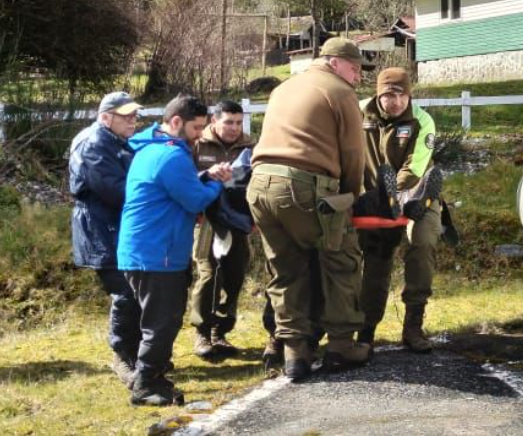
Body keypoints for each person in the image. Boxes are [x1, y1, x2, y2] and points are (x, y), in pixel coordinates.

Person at [248, 37, 371, 382]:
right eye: (354, 67)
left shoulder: (283, 88)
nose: (358, 75)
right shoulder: (341, 92)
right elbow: (353, 154)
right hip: (305, 185)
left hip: (260, 184)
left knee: (286, 269)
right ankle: (342, 346)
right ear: (333, 63)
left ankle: (295, 352)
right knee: (341, 262)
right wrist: (350, 199)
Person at [119, 95, 230, 406]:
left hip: (145, 250)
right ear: (177, 121)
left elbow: (177, 187)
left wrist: (205, 177)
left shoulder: (152, 149)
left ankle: (150, 376)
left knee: (156, 319)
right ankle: (146, 384)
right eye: (196, 128)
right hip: (158, 253)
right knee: (162, 322)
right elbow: (195, 200)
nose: (200, 135)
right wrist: (218, 183)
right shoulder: (171, 156)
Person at [357, 68, 444, 353]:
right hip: (375, 197)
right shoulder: (357, 113)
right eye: (388, 96)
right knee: (376, 260)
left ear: (409, 95)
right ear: (377, 95)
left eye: (401, 96)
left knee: (423, 242)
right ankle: (366, 330)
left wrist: (395, 194)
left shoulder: (422, 120)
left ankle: (413, 325)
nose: (395, 102)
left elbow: (414, 167)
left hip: (417, 192)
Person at [68, 91, 143, 388]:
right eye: (126, 116)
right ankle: (123, 357)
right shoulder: (95, 144)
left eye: (134, 115)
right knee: (125, 292)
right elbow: (115, 190)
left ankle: (139, 354)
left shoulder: (116, 140)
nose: (133, 120)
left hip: (115, 225)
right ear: (105, 117)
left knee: (136, 288)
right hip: (100, 228)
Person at [189, 100, 255, 361]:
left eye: (238, 122)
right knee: (209, 274)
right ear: (214, 121)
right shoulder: (196, 144)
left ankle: (220, 331)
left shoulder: (251, 146)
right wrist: (208, 174)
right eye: (228, 122)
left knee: (235, 275)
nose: (234, 128)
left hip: (237, 220)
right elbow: (183, 179)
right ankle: (202, 332)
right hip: (207, 220)